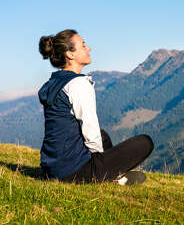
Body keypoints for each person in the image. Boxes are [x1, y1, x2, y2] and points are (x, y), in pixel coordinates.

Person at [38, 29, 154, 185]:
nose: (89, 48)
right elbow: (89, 127)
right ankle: (110, 177)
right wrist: (103, 163)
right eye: (83, 45)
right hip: (71, 172)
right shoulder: (78, 84)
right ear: (70, 54)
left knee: (103, 135)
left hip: (52, 169)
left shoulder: (55, 82)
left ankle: (110, 174)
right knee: (145, 143)